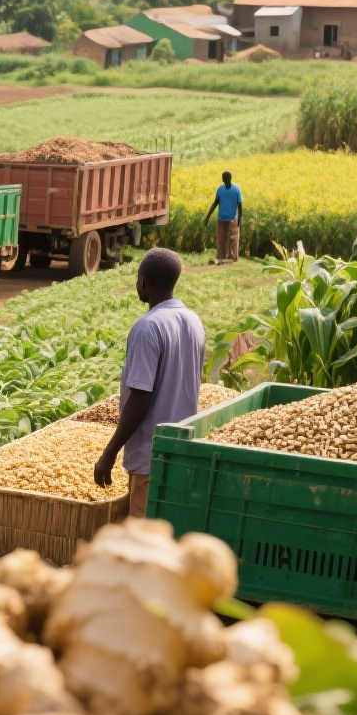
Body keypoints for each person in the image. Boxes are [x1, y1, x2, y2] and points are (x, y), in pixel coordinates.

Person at [93, 249, 206, 519]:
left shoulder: (147, 327)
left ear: (144, 282)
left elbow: (141, 398)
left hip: (150, 456)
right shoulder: (193, 321)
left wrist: (109, 453)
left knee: (144, 543)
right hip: (180, 450)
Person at [204, 171, 243, 264]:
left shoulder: (236, 189)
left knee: (233, 240)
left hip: (233, 219)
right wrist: (207, 217)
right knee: (221, 240)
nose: (223, 179)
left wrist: (239, 221)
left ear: (229, 178)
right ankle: (221, 259)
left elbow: (240, 206)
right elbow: (215, 203)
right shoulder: (220, 189)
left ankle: (233, 259)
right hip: (222, 219)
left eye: (224, 178)